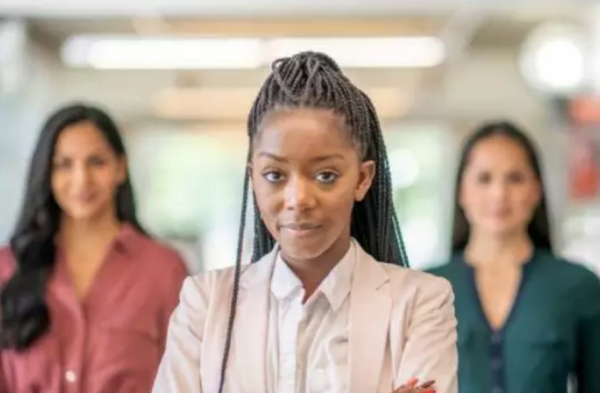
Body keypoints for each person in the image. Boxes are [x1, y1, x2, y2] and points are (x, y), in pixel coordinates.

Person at [152, 51, 458, 393]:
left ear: (362, 178)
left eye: (326, 175)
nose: (298, 199)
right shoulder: (205, 304)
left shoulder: (421, 302)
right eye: (275, 175)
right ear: (253, 178)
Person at [0, 104, 188, 393]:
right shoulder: (7, 268)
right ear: (46, 173)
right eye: (64, 164)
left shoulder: (164, 270)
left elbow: (185, 380)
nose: (81, 179)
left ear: (120, 168)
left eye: (96, 162)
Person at [427, 121, 600, 393]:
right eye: (484, 179)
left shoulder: (579, 286)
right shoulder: (424, 288)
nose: (499, 194)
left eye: (515, 178)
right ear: (462, 191)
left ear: (536, 190)